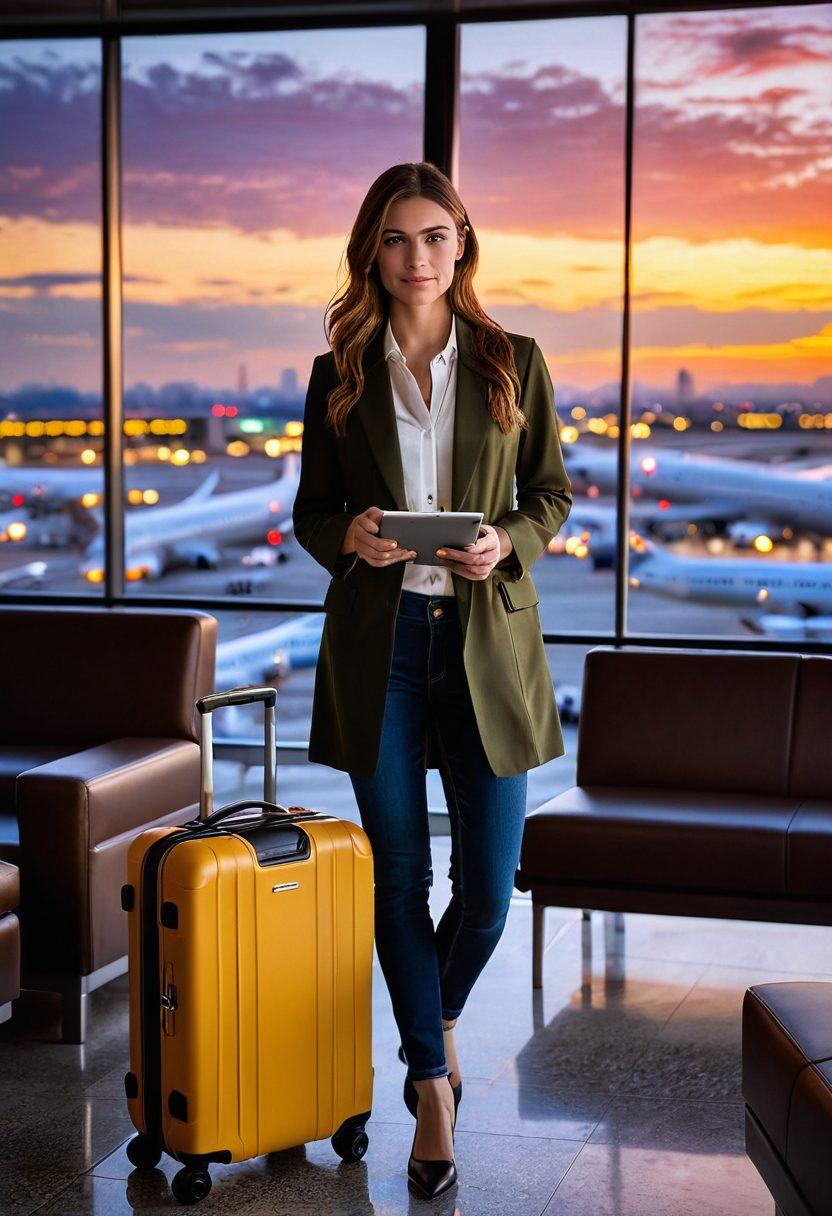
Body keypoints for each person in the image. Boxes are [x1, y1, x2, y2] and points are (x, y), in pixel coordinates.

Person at [292, 162, 572, 1200]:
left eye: (436, 238)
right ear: (372, 248)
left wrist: (509, 540)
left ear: (463, 244)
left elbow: (550, 491)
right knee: (399, 878)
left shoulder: (513, 359)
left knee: (488, 893)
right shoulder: (339, 371)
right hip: (380, 647)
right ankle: (430, 1087)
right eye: (398, 240)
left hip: (484, 645)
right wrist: (352, 538)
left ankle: (433, 1019)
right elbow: (313, 510)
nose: (418, 259)